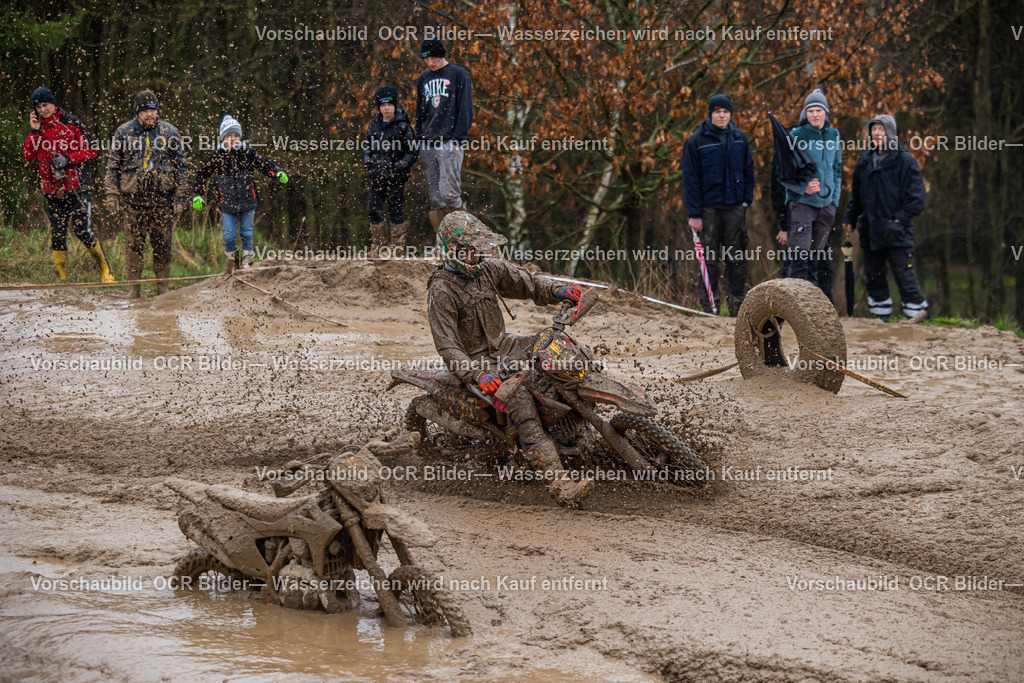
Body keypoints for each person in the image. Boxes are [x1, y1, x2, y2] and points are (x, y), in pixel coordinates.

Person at [427, 211, 593, 507]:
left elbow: (528, 282)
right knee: (519, 401)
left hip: (507, 347)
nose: (475, 254)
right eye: (468, 249)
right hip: (477, 365)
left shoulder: (489, 269)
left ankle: (579, 423)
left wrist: (557, 289)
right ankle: (560, 485)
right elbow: (448, 347)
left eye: (477, 248)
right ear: (451, 251)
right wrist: (477, 375)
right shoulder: (441, 289)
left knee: (558, 345)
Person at [22, 86, 114, 283]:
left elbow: (92, 149)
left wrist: (68, 159)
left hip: (77, 184)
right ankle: (61, 277)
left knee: (83, 229)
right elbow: (28, 155)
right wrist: (34, 132)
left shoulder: (71, 122)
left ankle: (105, 268)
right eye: (38, 107)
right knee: (57, 232)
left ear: (53, 103)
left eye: (45, 105)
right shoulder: (37, 129)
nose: (42, 110)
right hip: (51, 188)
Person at [842, 115, 928, 322]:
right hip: (871, 232)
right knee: (874, 278)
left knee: (905, 279)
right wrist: (850, 217)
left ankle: (917, 320)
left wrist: (899, 220)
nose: (877, 133)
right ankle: (881, 322)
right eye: (874, 129)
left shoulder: (904, 160)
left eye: (881, 129)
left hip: (898, 234)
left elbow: (917, 199)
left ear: (890, 132)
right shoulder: (864, 160)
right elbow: (857, 196)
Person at [104, 90, 188, 298]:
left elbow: (182, 167)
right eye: (145, 111)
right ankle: (134, 291)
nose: (150, 114)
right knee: (133, 246)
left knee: (163, 245)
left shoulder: (170, 132)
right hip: (133, 202)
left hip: (163, 200)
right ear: (138, 112)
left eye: (153, 110)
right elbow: (112, 166)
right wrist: (111, 195)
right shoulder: (123, 132)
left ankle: (163, 290)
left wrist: (181, 197)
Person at [681, 94, 755, 314]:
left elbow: (749, 171)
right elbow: (690, 180)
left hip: (735, 209)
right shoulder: (696, 141)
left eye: (725, 111)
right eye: (717, 111)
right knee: (709, 263)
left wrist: (745, 201)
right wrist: (694, 213)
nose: (721, 115)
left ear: (730, 113)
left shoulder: (740, 138)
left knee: (737, 261)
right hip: (707, 211)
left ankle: (737, 308)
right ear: (710, 114)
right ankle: (709, 309)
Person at [192, 114, 288, 272]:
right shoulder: (217, 156)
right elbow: (202, 174)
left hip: (248, 201)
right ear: (223, 138)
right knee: (228, 235)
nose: (233, 139)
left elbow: (263, 164)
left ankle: (247, 264)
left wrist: (276, 172)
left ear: (240, 137)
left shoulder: (247, 153)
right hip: (227, 203)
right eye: (229, 136)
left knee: (247, 233)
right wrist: (198, 195)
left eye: (236, 135)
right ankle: (231, 264)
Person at [779, 88, 842, 298]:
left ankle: (813, 307)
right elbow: (783, 174)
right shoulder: (796, 136)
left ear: (826, 112)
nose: (815, 114)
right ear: (805, 113)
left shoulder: (834, 135)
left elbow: (837, 170)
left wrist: (834, 201)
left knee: (817, 259)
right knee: (800, 258)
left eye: (819, 110)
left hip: (826, 207)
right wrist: (802, 188)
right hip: (802, 205)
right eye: (811, 110)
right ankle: (795, 304)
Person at [415, 38, 473, 228]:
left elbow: (465, 109)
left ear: (442, 55)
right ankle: (443, 243)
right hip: (427, 143)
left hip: (449, 141)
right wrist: (418, 137)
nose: (431, 63)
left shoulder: (458, 74)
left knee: (449, 194)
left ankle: (465, 236)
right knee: (435, 197)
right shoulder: (423, 78)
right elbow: (420, 111)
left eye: (434, 58)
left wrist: (458, 139)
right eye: (426, 59)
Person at [363, 85, 417, 255]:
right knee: (373, 209)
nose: (387, 108)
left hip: (396, 177)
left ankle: (397, 247)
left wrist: (400, 166)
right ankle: (378, 245)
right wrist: (368, 162)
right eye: (383, 105)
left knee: (395, 210)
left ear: (395, 105)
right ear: (379, 106)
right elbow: (367, 146)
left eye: (390, 104)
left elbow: (413, 151)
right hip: (377, 175)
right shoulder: (374, 124)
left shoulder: (403, 126)